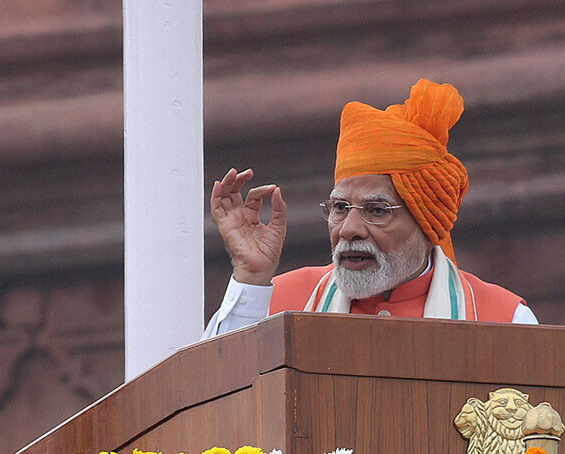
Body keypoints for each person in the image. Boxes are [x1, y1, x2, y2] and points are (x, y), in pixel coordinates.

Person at [202, 79, 537, 339]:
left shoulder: (504, 319)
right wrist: (251, 276)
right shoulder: (279, 302)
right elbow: (214, 405)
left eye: (377, 210)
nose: (348, 229)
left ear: (426, 221)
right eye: (340, 207)